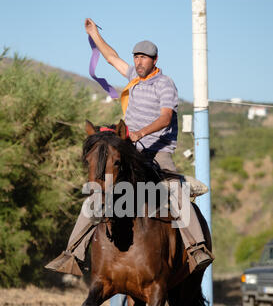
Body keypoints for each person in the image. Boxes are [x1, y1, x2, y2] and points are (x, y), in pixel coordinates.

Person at [45, 18, 214, 276]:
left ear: (154, 60)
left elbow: (166, 117)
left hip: (159, 153)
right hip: (131, 152)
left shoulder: (165, 84)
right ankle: (72, 254)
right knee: (97, 192)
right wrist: (93, 34)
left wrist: (140, 133)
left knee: (176, 191)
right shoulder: (133, 76)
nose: (138, 62)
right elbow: (112, 58)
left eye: (144, 58)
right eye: (136, 57)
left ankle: (196, 248)